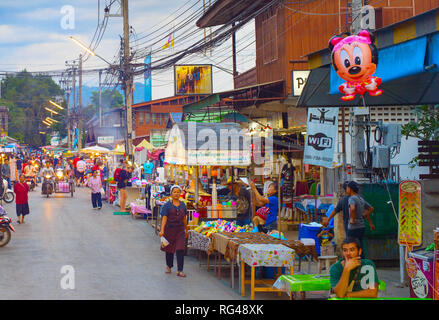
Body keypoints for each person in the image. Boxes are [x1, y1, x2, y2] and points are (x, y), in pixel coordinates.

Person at [159, 185, 188, 277]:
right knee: (169, 249)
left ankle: (180, 270)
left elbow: (184, 218)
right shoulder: (166, 206)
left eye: (178, 192)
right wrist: (162, 230)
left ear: (180, 193)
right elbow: (164, 218)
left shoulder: (183, 205)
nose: (176, 194)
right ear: (171, 193)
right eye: (174, 192)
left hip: (180, 230)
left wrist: (186, 229)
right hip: (169, 230)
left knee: (180, 249)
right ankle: (169, 265)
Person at [345, 181, 374, 258]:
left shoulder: (351, 198)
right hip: (361, 226)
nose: (346, 189)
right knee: (359, 247)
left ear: (350, 189)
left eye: (347, 188)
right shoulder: (360, 198)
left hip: (353, 227)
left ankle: (350, 264)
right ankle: (362, 263)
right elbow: (371, 208)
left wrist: (352, 219)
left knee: (349, 246)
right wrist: (364, 215)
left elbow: (353, 208)